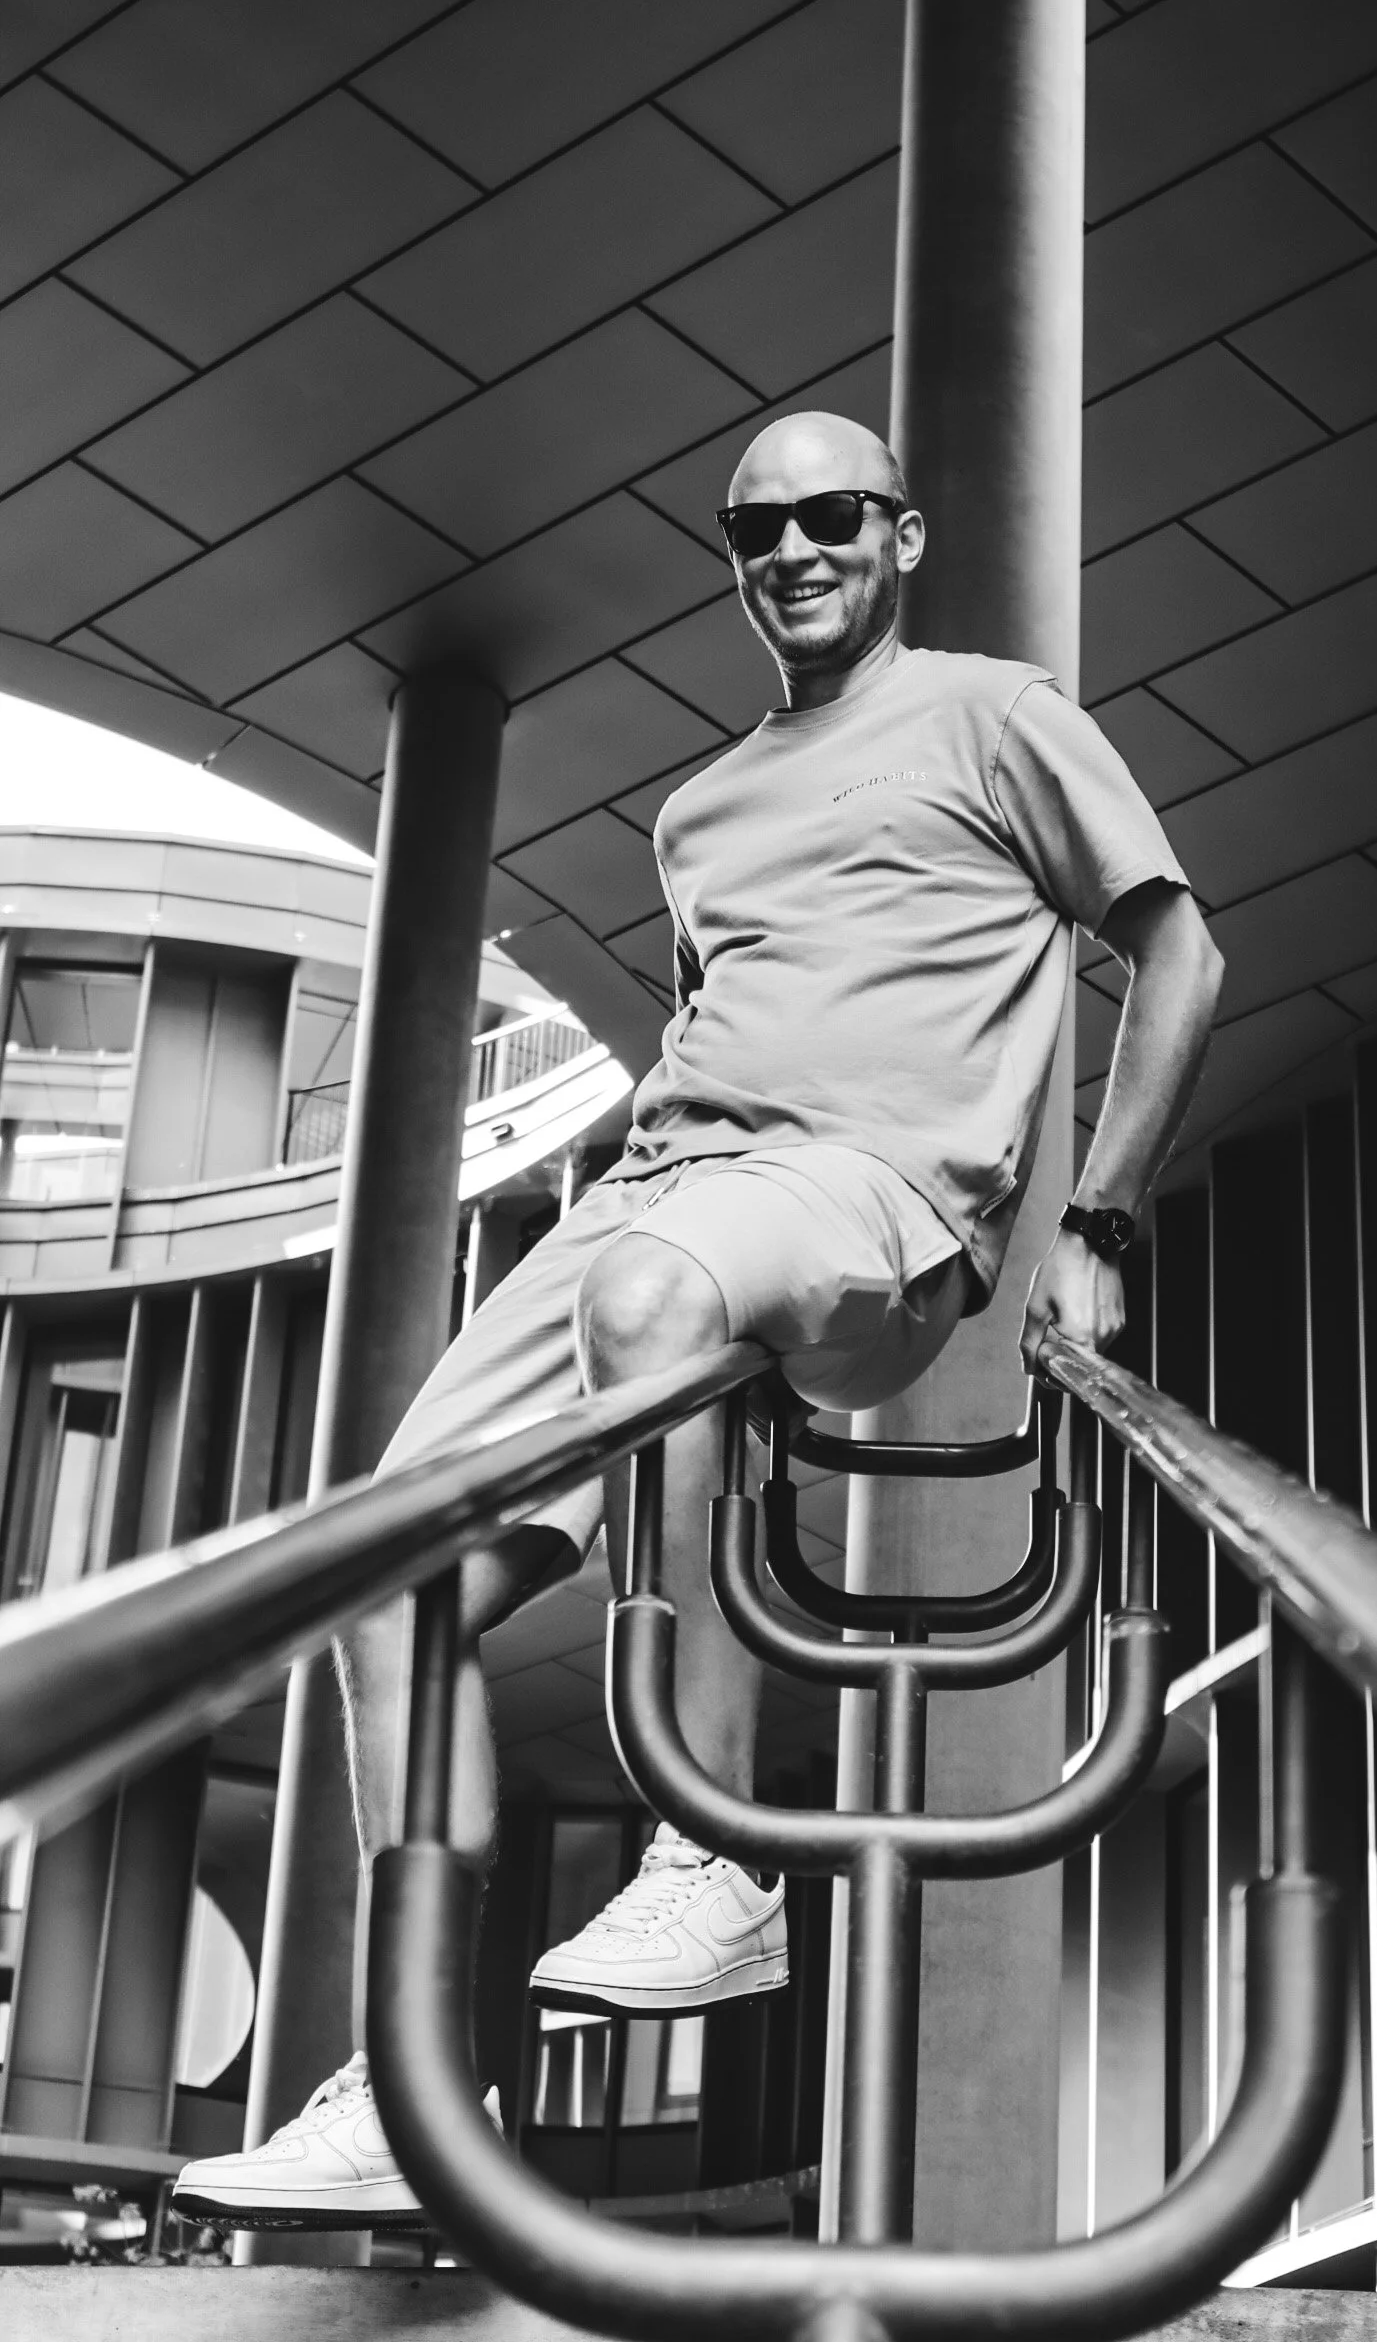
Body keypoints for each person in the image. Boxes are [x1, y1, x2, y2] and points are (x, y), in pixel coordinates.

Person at [173, 411, 1222, 2228]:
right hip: (662, 1190)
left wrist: (1098, 1219)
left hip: (885, 1188)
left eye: (832, 517)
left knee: (665, 1300)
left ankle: (714, 1859)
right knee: (380, 1566)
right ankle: (415, 2094)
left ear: (898, 537)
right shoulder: (702, 809)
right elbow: (713, 1034)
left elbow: (1182, 950)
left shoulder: (996, 713)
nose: (795, 551)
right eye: (758, 531)